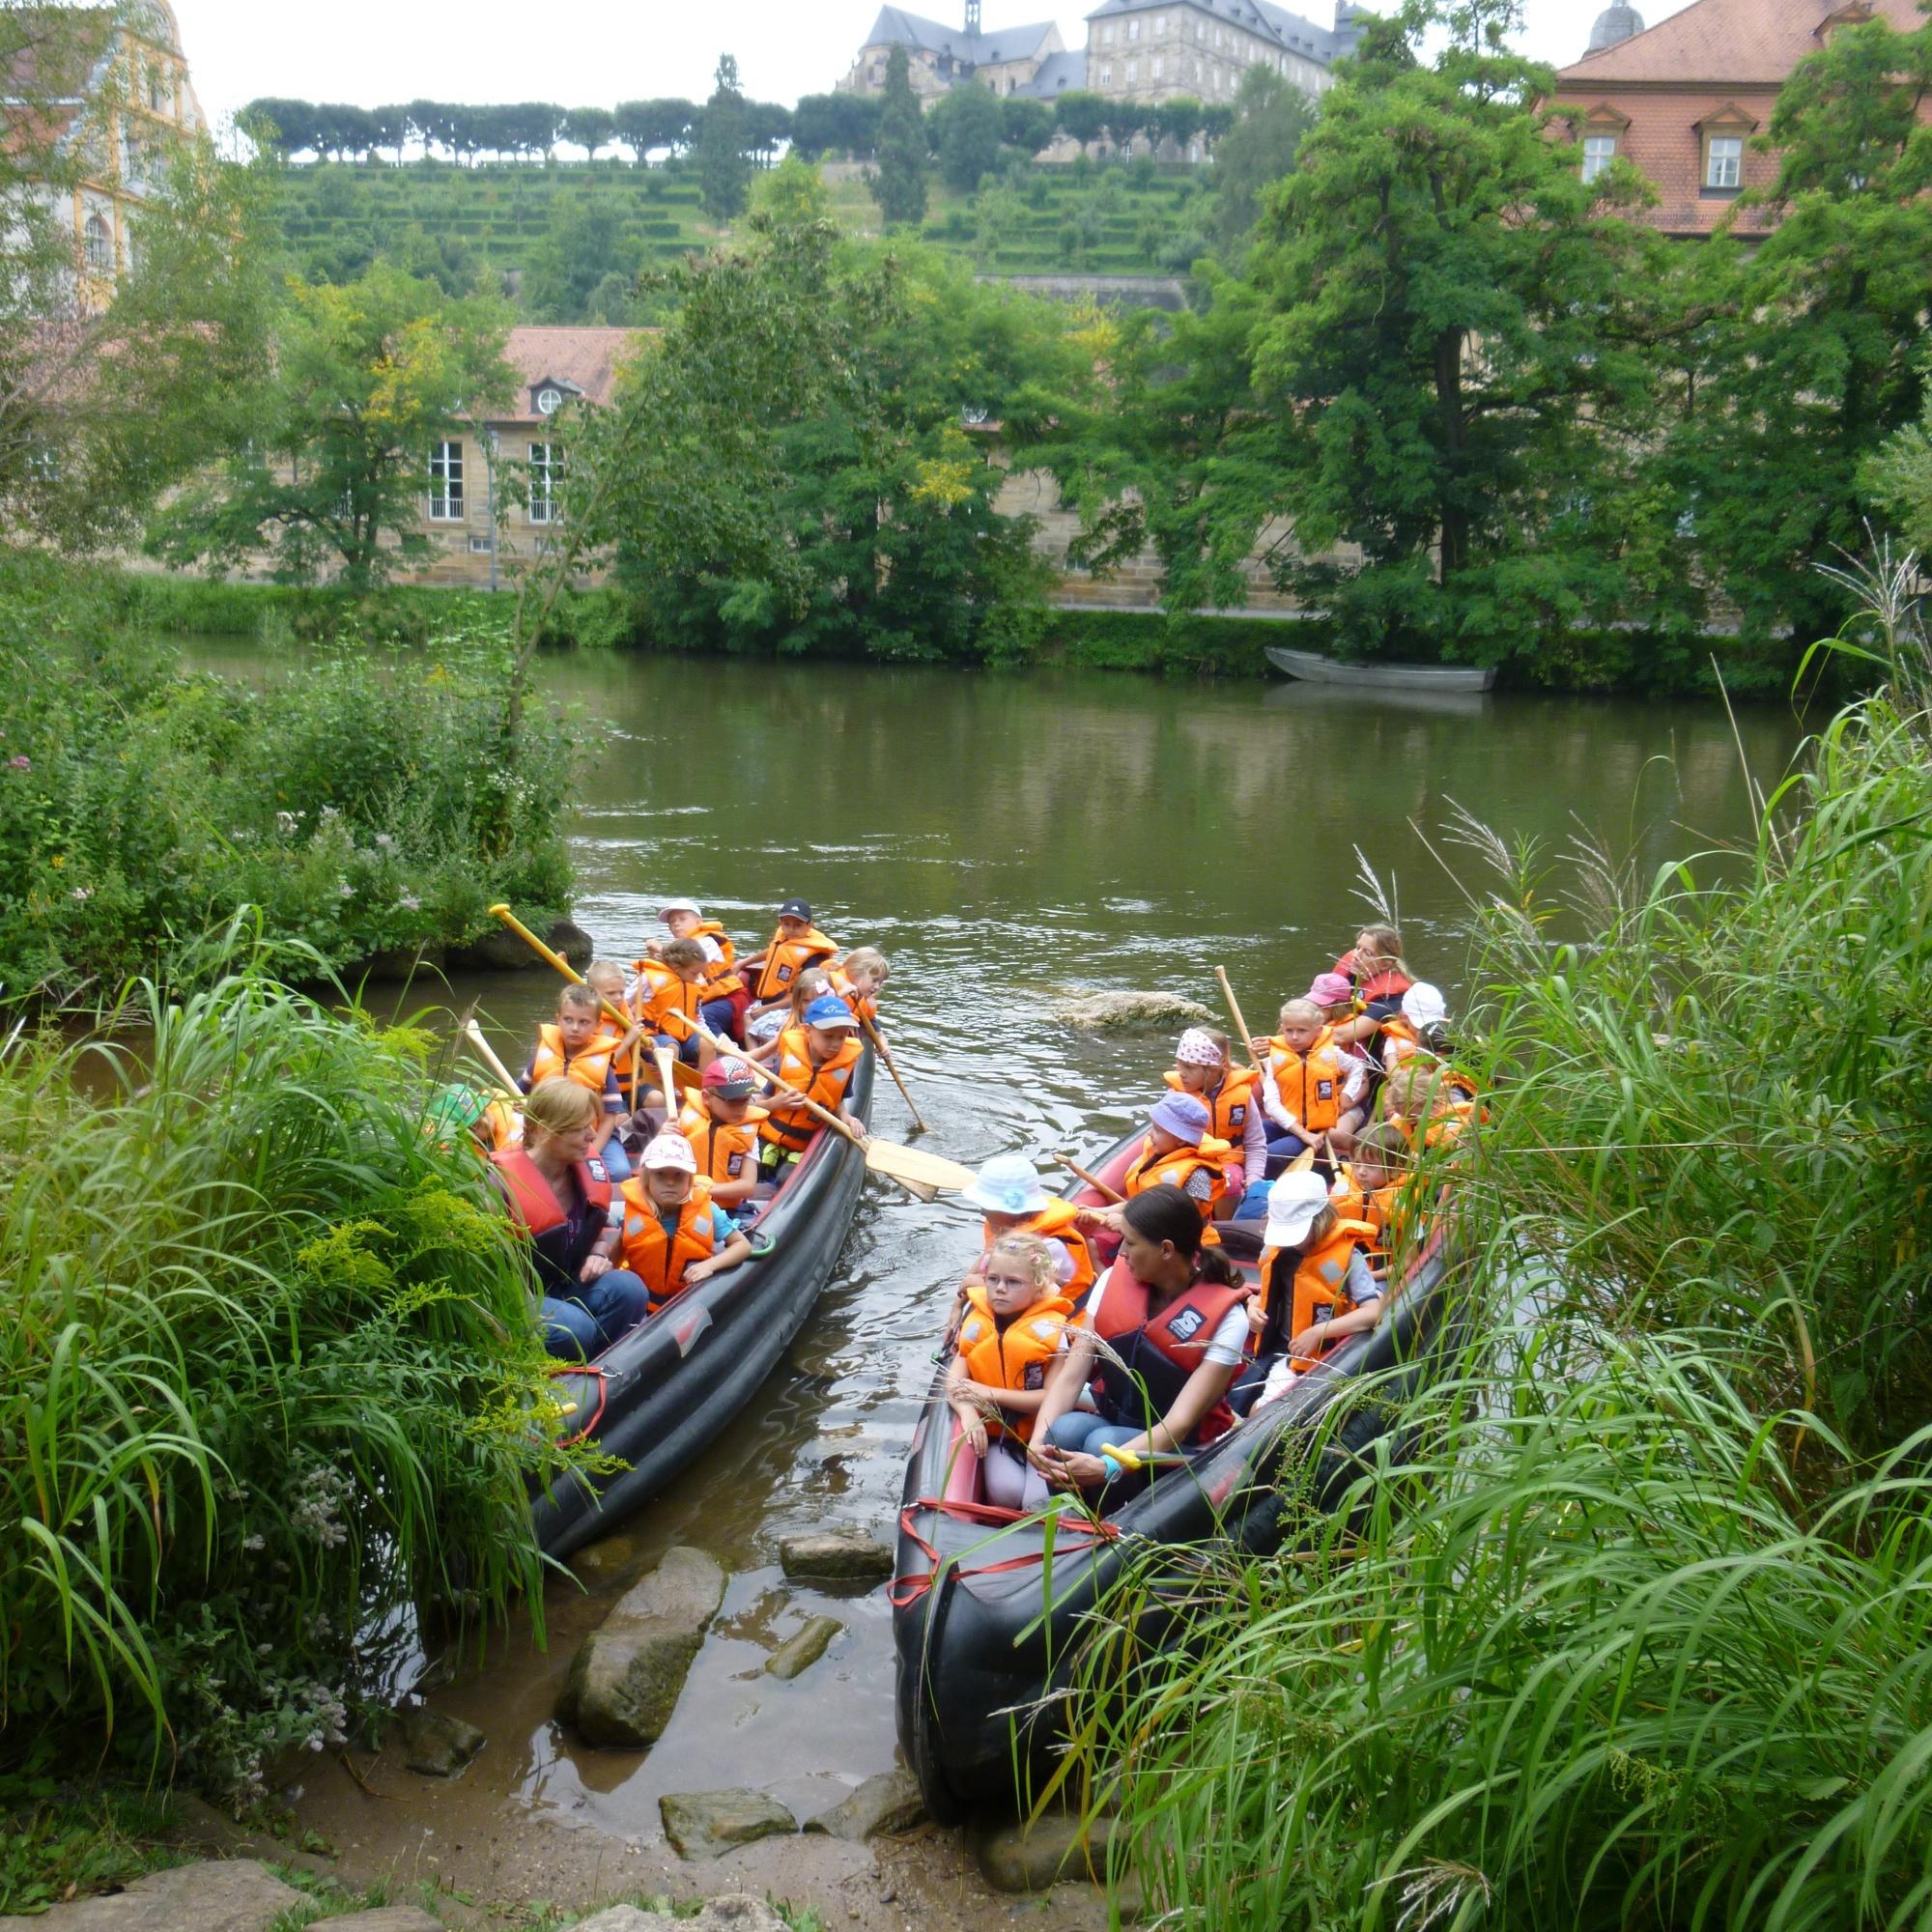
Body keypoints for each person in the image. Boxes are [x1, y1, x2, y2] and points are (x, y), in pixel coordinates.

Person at [1031, 1186, 1250, 1499]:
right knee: (1061, 1432)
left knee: (1101, 1443)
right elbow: (1071, 1377)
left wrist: (1107, 1465)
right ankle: (1071, 1521)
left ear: (1166, 1249)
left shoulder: (1229, 1318)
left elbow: (1178, 1423)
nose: (1121, 1253)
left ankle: (1115, 1533)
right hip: (1118, 1421)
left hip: (1182, 1450)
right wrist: (1037, 1441)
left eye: (1130, 1243)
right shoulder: (1111, 1282)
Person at [490, 1077, 649, 1361]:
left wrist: (599, 1254)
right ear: (542, 1131)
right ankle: (556, 1376)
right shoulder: (498, 1186)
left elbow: (596, 1233)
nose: (592, 1135)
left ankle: (599, 1367)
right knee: (575, 1327)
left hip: (566, 1284)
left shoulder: (582, 1172)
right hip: (518, 1298)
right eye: (579, 1129)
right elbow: (483, 1271)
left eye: (591, 1125)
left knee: (631, 1289)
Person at [947, 1232, 1079, 1509]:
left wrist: (987, 1393)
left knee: (1037, 1500)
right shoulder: (978, 1322)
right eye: (993, 1279)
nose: (1000, 1289)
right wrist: (968, 1412)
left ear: (1039, 1285)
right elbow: (953, 1381)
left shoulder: (1052, 1329)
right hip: (1000, 1436)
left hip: (1042, 1435)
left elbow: (1051, 1398)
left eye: (1013, 1282)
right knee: (1005, 1492)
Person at [1236, 1169, 1379, 1411]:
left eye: (1297, 1234)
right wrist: (1253, 1306)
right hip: (1283, 1348)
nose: (1291, 1242)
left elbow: (1373, 1312)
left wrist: (1318, 1332)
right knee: (1246, 1404)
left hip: (1322, 1353)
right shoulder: (1278, 1250)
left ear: (1321, 1220)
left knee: (1263, 1409)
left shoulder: (1347, 1256)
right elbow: (1268, 1292)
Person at [614, 1132, 753, 1315]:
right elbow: (614, 1258)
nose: (670, 1182)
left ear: (690, 1180)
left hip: (690, 1300)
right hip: (645, 1304)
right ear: (646, 1179)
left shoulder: (708, 1211)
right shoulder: (632, 1215)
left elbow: (742, 1246)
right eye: (660, 1175)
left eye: (679, 1175)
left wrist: (709, 1265)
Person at [522, 983, 640, 1181]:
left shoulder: (603, 1065)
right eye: (568, 1020)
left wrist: (593, 1151)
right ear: (558, 1019)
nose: (575, 1028)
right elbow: (518, 1091)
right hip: (550, 1133)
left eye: (584, 1022)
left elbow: (610, 1117)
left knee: (619, 1171)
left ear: (597, 1025)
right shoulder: (544, 1054)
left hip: (590, 1134)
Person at [955, 1153, 1098, 1307]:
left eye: (987, 1205)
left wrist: (977, 1283)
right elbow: (980, 1264)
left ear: (1010, 1211)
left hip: (1060, 1319)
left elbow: (1039, 1294)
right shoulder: (1002, 1228)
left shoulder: (1050, 1246)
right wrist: (958, 1305)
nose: (982, 1212)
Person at [757, 993, 866, 1175]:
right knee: (757, 1168)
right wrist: (777, 1103)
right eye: (828, 1036)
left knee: (786, 1177)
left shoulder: (845, 1066)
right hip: (768, 1138)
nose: (835, 1044)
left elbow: (836, 1102)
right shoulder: (788, 1058)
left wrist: (849, 1119)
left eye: (841, 1037)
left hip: (803, 1147)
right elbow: (761, 1102)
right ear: (807, 1030)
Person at [1167, 1028, 1266, 1219]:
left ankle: (1223, 1228)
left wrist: (1254, 1178)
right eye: (1180, 1065)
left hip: (1228, 1164)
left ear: (1213, 1069)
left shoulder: (1241, 1095)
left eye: (1189, 1067)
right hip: (1188, 1163)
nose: (1181, 1074)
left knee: (1230, 1181)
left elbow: (1255, 1143)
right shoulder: (1176, 1096)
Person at [1260, 999, 1360, 1170]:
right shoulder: (1276, 1059)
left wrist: (1347, 1094)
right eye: (1289, 1030)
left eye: (1302, 1031)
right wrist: (1301, 1133)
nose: (1294, 1037)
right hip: (1287, 1125)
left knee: (1271, 1154)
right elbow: (1271, 1104)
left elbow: (1357, 1066)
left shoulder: (1331, 1054)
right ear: (1282, 1028)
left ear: (1318, 1031)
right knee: (1250, 1134)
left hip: (1314, 1130)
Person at [676, 1055, 768, 1210]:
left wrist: (707, 1189)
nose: (740, 1109)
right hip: (687, 1206)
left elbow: (748, 1186)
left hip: (728, 1212)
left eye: (745, 1100)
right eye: (732, 1101)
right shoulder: (683, 1124)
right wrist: (663, 1135)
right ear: (706, 1097)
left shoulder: (747, 1133)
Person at [652, 898, 745, 1039]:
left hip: (729, 998)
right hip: (704, 1000)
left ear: (698, 922)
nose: (676, 924)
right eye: (672, 922)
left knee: (705, 1016)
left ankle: (724, 1050)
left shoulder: (708, 940)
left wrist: (658, 948)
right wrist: (652, 954)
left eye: (682, 919)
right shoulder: (677, 948)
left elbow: (686, 960)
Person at [743, 897, 838, 1013]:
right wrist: (742, 963)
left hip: (790, 1008)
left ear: (810, 925)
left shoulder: (815, 956)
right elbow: (773, 952)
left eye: (797, 925)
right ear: (781, 923)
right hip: (767, 1002)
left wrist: (766, 1009)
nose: (791, 930)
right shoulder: (785, 938)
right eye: (786, 924)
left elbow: (803, 995)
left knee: (751, 1022)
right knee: (743, 1015)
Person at [629, 937, 710, 1064]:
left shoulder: (693, 985)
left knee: (707, 1043)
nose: (696, 979)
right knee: (671, 1047)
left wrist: (714, 1041)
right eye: (694, 973)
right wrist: (634, 1031)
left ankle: (708, 1081)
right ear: (677, 967)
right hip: (653, 1038)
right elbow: (623, 1003)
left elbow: (699, 1020)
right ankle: (668, 1081)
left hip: (685, 1040)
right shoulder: (648, 979)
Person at [747, 965, 833, 1054]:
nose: (811, 1007)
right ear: (798, 1002)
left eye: (818, 1001)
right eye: (806, 1001)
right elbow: (758, 1048)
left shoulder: (839, 1025)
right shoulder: (789, 1028)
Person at [426, 1082, 519, 1157]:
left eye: (483, 1113)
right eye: (476, 1126)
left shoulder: (515, 1136)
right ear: (462, 1135)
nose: (486, 1122)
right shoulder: (461, 1155)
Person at [829, 947, 890, 1031]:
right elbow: (817, 1009)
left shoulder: (865, 1001)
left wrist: (882, 1039)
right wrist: (840, 996)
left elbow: (878, 1033)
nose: (877, 987)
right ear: (857, 972)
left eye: (880, 982)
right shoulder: (829, 984)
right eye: (874, 980)